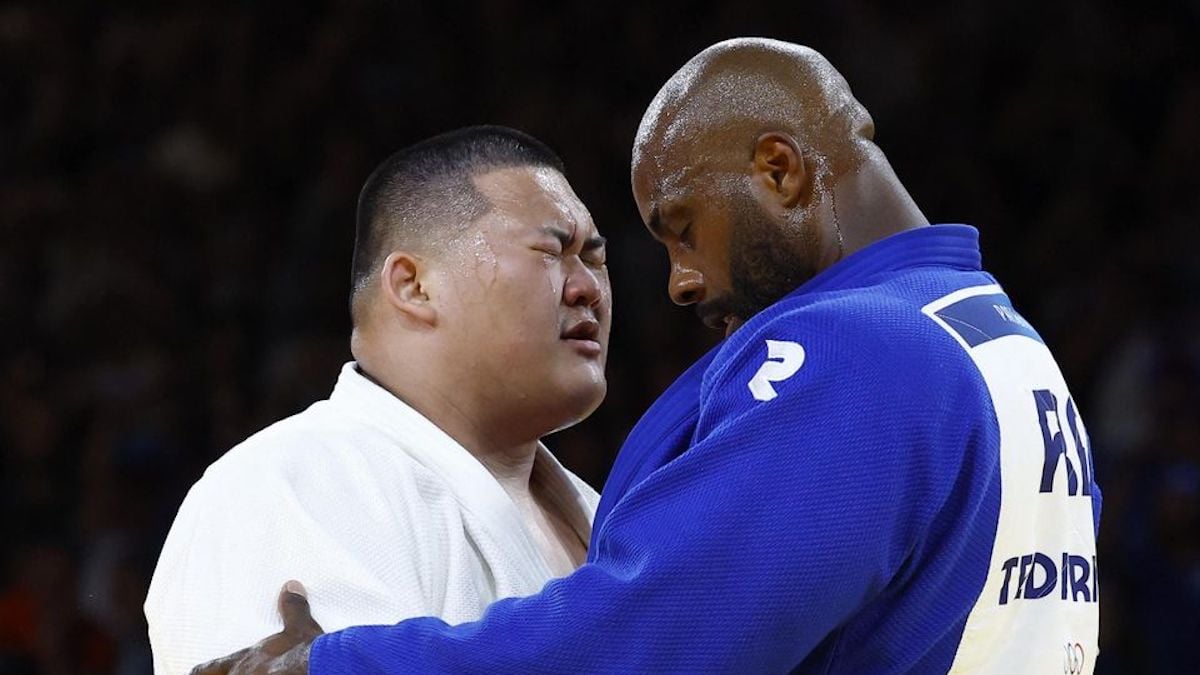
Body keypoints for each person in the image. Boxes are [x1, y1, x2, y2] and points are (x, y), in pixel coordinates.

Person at [192, 38, 1101, 674]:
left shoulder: (859, 348)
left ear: (780, 171)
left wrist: (343, 665)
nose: (679, 282)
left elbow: (647, 639)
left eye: (682, 229)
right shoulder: (1009, 354)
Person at [144, 126, 612, 675]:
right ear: (415, 286)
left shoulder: (610, 515)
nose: (588, 288)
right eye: (552, 252)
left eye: (596, 259)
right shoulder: (291, 483)